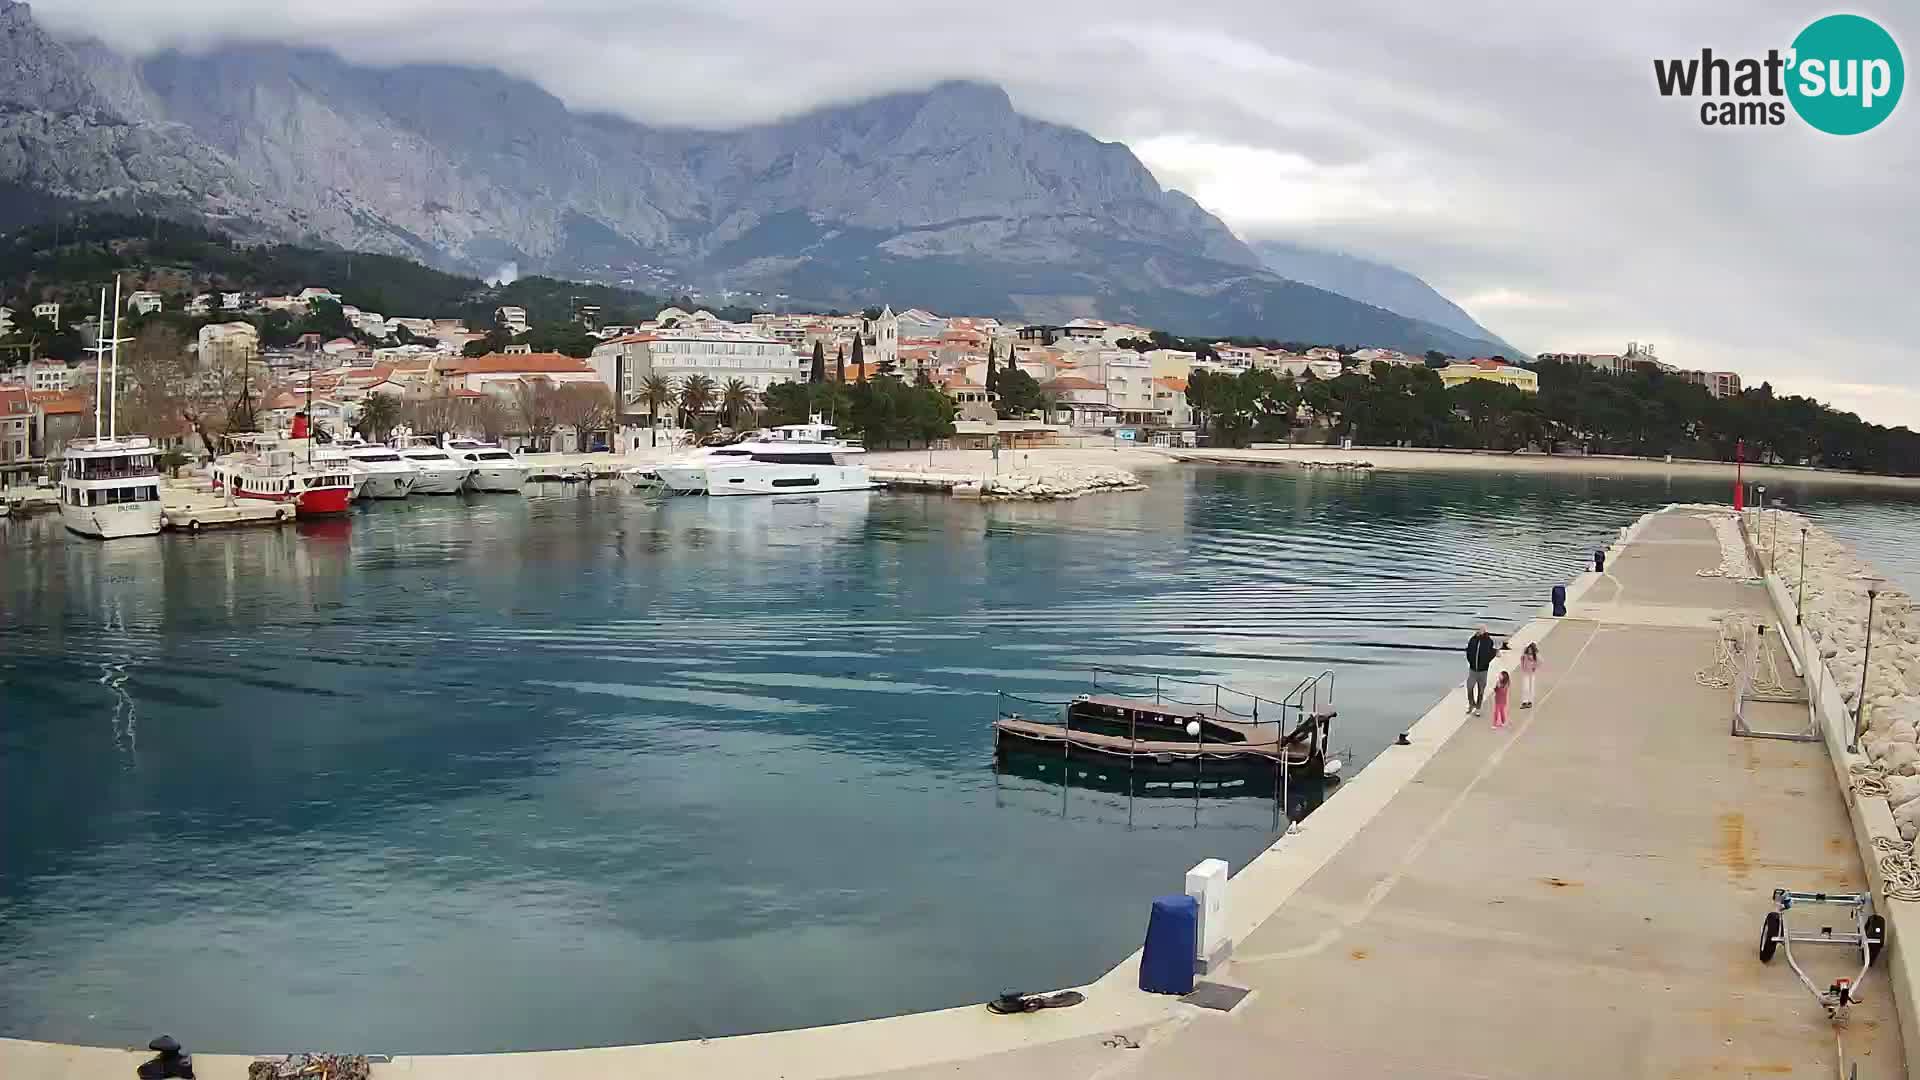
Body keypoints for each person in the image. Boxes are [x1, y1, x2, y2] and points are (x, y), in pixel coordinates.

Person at [1465, 625, 1499, 714]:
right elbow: (1468, 651)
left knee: (1481, 690)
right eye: (1477, 629)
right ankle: (1471, 704)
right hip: (1473, 670)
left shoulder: (1488, 641)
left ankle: (1478, 708)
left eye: (1480, 630)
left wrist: (1486, 662)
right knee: (1469, 687)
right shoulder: (1472, 640)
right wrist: (1471, 661)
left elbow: (1491, 652)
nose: (1478, 631)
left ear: (1484, 631)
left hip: (1483, 671)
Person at [1519, 643, 1541, 708]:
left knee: (1531, 687)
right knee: (1525, 687)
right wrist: (1523, 667)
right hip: (1525, 673)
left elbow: (1540, 662)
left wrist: (1534, 667)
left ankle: (1530, 701)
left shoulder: (1535, 656)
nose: (1529, 652)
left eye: (1531, 650)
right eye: (1528, 650)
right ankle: (1524, 701)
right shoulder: (1524, 656)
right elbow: (1521, 661)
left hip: (1531, 674)